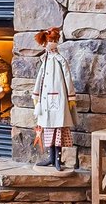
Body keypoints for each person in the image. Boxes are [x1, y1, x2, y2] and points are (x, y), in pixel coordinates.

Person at [30, 28, 75, 168]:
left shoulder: (60, 59)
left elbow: (67, 77)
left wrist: (71, 96)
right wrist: (36, 94)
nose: (53, 43)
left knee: (58, 127)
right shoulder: (45, 59)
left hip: (58, 98)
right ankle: (51, 157)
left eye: (55, 41)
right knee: (48, 127)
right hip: (45, 100)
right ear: (45, 42)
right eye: (51, 41)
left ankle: (58, 159)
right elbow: (40, 78)